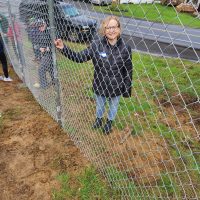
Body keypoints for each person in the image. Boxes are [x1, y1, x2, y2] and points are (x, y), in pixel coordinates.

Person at [55, 16, 133, 134]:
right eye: (108, 28)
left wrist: (126, 89)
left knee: (113, 106)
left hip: (117, 85)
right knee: (100, 105)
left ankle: (109, 122)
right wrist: (63, 48)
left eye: (114, 27)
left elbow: (128, 70)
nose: (111, 30)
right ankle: (99, 119)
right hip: (100, 84)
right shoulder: (96, 45)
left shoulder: (126, 48)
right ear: (104, 30)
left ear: (119, 29)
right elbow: (79, 57)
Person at [33, 20, 55, 89]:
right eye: (38, 27)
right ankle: (55, 81)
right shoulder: (40, 33)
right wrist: (40, 48)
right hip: (44, 55)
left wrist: (45, 49)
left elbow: (54, 45)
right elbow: (36, 44)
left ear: (45, 24)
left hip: (50, 55)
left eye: (41, 26)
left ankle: (44, 85)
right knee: (50, 69)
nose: (40, 28)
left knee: (41, 69)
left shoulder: (50, 32)